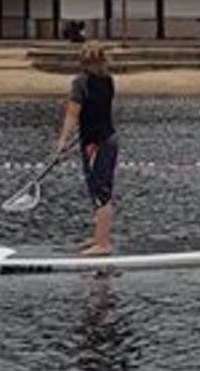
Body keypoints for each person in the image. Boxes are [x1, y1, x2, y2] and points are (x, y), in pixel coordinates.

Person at [53, 44, 120, 256]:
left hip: (98, 143)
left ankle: (103, 244)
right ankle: (98, 236)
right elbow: (94, 113)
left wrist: (63, 141)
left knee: (101, 193)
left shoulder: (80, 82)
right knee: (96, 189)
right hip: (103, 139)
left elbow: (73, 114)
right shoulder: (108, 80)